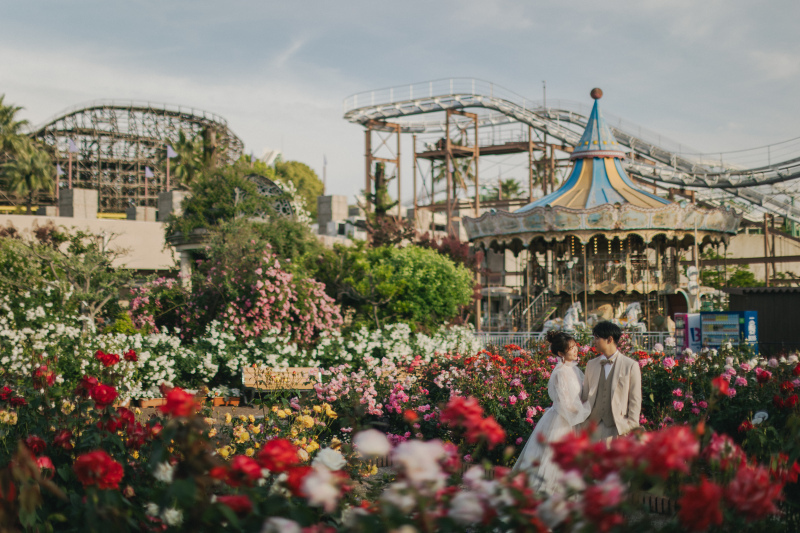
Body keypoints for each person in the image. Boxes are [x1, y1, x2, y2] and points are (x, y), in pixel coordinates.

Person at [512, 330, 591, 494]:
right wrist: (585, 411)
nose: (576, 350)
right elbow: (564, 402)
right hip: (562, 420)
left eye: (575, 346)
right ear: (561, 353)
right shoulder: (561, 372)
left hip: (571, 417)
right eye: (571, 349)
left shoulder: (573, 369)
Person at [580, 321, 642, 442]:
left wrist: (631, 426)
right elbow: (585, 395)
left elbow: (635, 399)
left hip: (617, 427)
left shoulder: (630, 365)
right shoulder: (591, 365)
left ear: (609, 339)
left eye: (597, 338)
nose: (594, 341)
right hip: (592, 426)